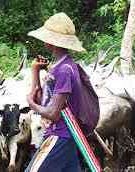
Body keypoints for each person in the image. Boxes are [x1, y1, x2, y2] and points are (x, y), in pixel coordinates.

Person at [25, 12, 86, 172]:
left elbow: (52, 113)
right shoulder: (59, 67)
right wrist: (35, 71)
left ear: (49, 42)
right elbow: (42, 100)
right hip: (66, 135)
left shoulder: (64, 70)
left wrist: (31, 105)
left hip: (60, 135)